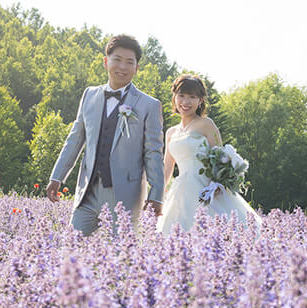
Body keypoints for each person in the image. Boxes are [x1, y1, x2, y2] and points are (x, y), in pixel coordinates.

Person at [46, 35, 165, 235]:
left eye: (130, 62)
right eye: (117, 59)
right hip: (88, 192)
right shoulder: (89, 95)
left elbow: (153, 153)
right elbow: (75, 139)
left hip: (125, 195)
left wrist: (156, 195)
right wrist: (57, 176)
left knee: (122, 258)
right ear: (105, 62)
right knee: (69, 249)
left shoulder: (149, 105)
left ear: (137, 68)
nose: (122, 67)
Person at [157, 74, 262, 235]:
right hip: (181, 189)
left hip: (206, 188)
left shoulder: (206, 124)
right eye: (181, 96)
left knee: (215, 233)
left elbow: (221, 158)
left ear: (200, 101)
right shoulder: (171, 132)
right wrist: (157, 194)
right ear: (174, 97)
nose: (185, 102)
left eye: (192, 97)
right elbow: (167, 168)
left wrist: (217, 184)